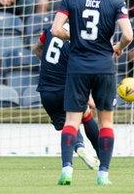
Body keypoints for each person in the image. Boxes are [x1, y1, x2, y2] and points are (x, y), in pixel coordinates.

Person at [51, 0, 134, 186]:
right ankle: (103, 174)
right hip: (103, 67)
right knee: (106, 121)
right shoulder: (116, 2)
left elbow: (56, 29)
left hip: (78, 66)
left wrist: (75, 36)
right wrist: (117, 47)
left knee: (71, 121)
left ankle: (67, 169)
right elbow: (128, 35)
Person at [32, 24, 100, 171]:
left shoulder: (51, 29)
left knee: (68, 125)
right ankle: (102, 154)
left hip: (46, 92)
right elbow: (81, 71)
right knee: (86, 115)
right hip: (66, 89)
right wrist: (89, 97)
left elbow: (36, 48)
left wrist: (50, 65)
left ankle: (79, 147)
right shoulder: (80, 36)